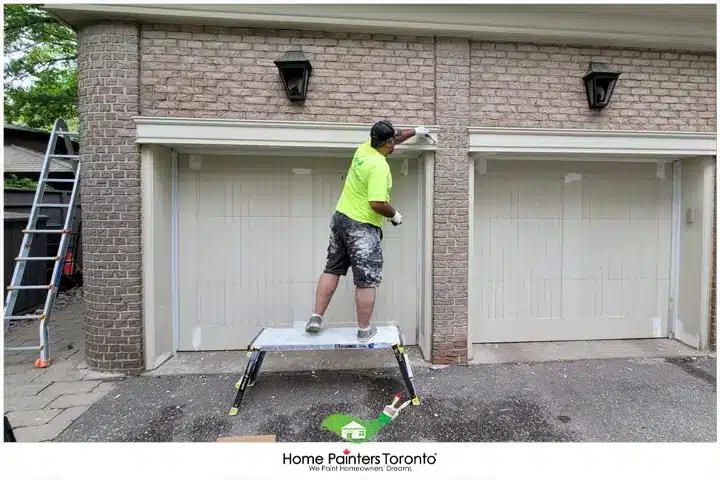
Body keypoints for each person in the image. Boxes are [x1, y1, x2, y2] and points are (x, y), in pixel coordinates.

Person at [305, 120, 430, 342]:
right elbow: (377, 203)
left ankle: (316, 318)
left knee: (332, 268)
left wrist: (416, 132)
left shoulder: (364, 148)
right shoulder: (379, 167)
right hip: (361, 226)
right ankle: (364, 330)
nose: (394, 144)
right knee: (366, 279)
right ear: (387, 143)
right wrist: (395, 215)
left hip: (340, 219)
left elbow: (397, 136)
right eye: (392, 141)